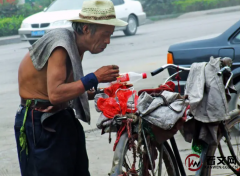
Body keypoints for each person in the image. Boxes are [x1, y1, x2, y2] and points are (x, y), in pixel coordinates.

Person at [14, 0, 127, 176]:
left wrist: (96, 92)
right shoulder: (61, 44)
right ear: (87, 29)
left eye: (110, 35)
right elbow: (56, 94)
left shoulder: (76, 46)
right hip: (40, 122)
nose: (108, 41)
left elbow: (67, 89)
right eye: (105, 34)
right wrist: (94, 78)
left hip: (60, 117)